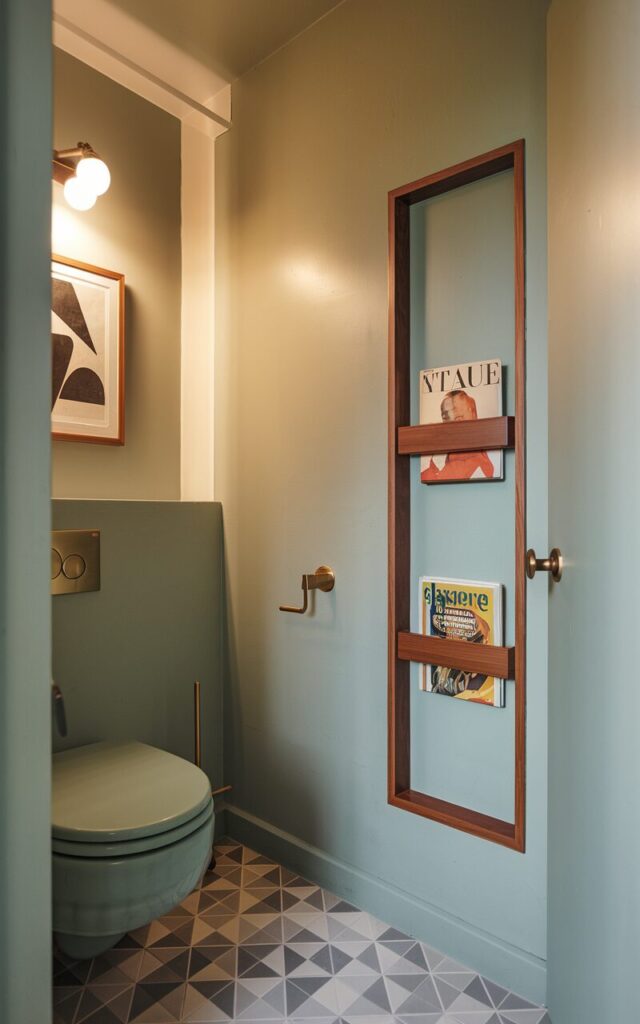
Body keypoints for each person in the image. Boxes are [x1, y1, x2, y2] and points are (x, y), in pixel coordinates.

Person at [421, 389, 495, 482]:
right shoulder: (444, 455)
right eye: (446, 418)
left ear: (473, 415)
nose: (451, 425)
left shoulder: (477, 463)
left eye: (458, 418)